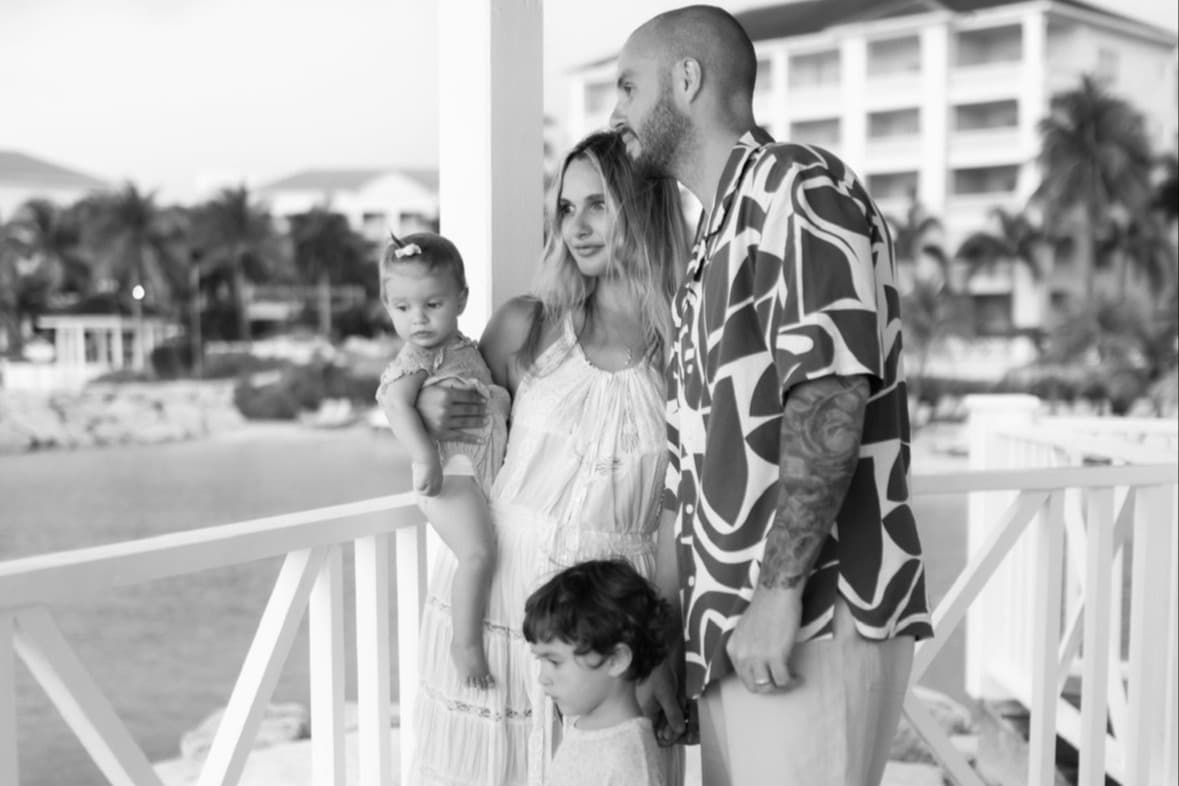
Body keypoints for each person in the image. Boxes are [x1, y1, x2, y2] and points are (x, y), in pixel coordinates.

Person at [610, 6, 934, 785]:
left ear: (685, 81)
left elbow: (829, 394)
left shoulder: (796, 185)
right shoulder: (718, 232)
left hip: (810, 614)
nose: (614, 111)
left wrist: (776, 596)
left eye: (627, 86)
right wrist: (665, 643)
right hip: (731, 631)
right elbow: (689, 473)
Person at [407, 130, 690, 786]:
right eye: (566, 208)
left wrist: (658, 650)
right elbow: (454, 442)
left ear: (643, 209)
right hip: (501, 602)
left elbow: (685, 510)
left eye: (598, 205)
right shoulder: (525, 325)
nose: (577, 226)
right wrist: (423, 414)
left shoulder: (685, 348)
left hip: (612, 628)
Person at [375, 232, 509, 689]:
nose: (419, 320)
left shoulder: (459, 348)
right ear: (388, 306)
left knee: (490, 551)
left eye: (433, 304)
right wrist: (423, 458)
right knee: (477, 554)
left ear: (461, 299)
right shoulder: (416, 357)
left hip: (470, 472)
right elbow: (395, 404)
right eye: (403, 308)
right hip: (447, 475)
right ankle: (465, 643)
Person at [523, 559, 675, 786]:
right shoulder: (585, 727)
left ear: (616, 660)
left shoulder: (630, 764)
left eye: (554, 661)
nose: (542, 678)